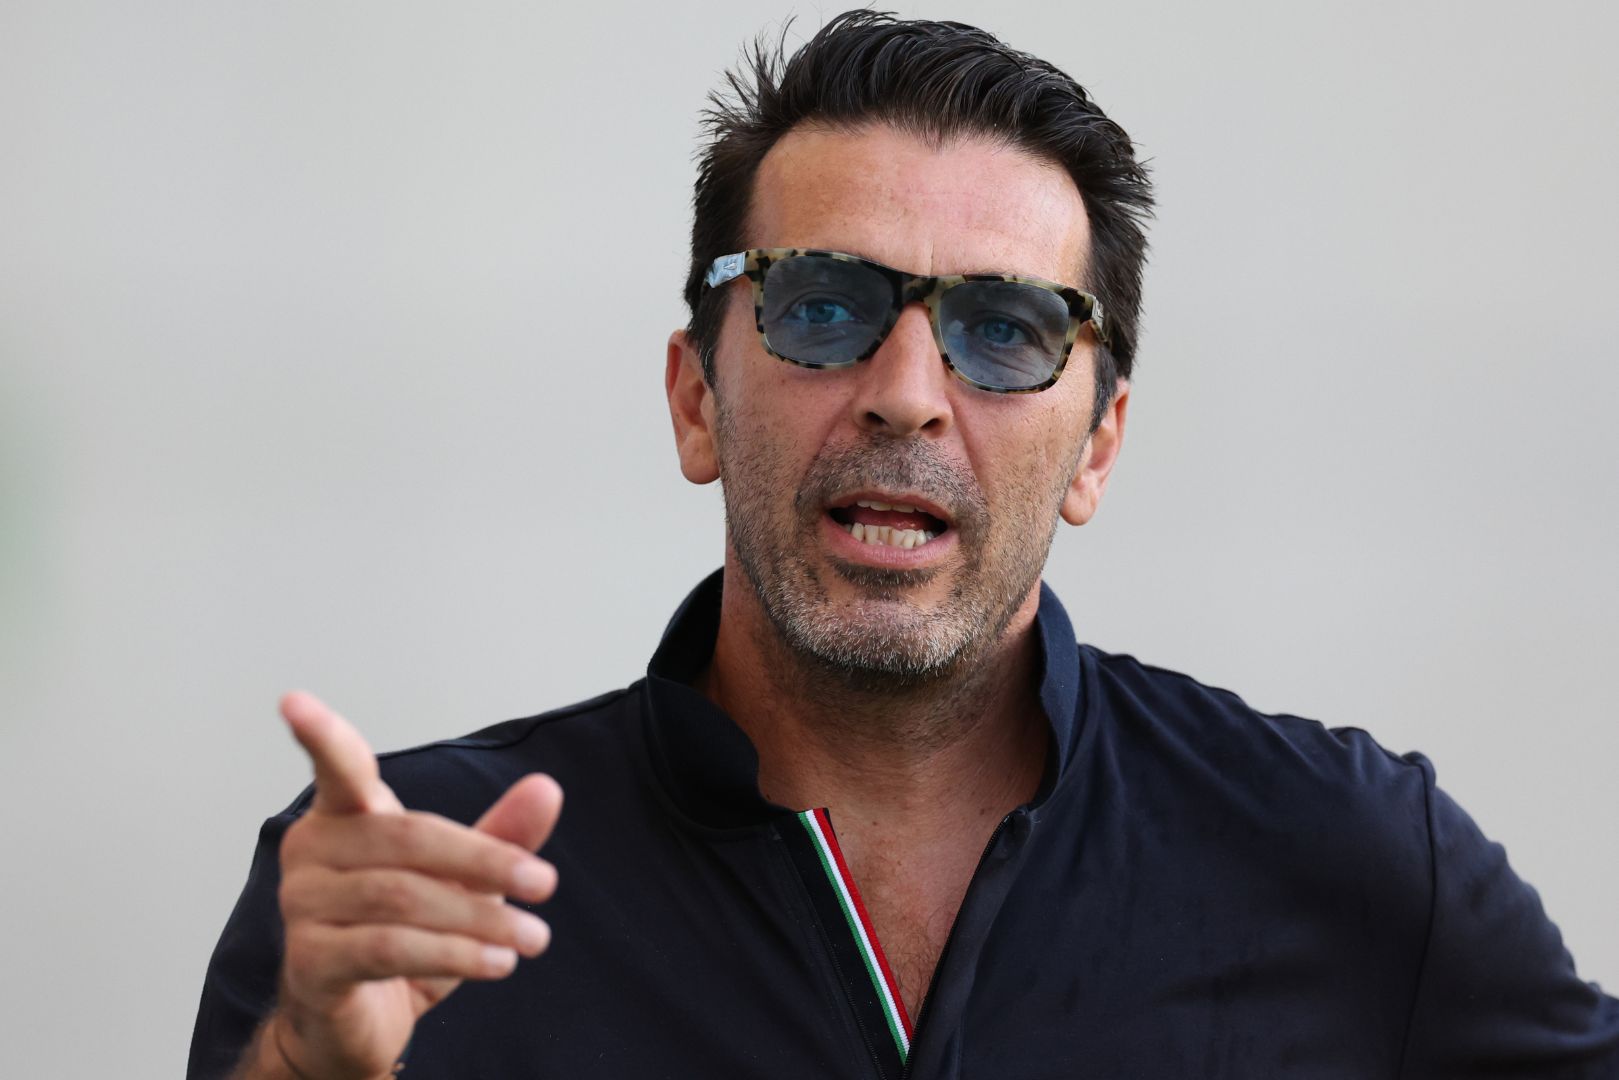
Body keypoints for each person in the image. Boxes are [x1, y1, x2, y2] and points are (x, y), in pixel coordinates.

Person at [188, 11, 1619, 1079]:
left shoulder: (1346, 858)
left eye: (1006, 331)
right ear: (697, 400)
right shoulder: (401, 896)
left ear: (1098, 447)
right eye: (823, 305)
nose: (908, 392)